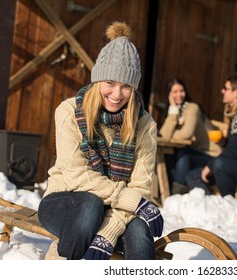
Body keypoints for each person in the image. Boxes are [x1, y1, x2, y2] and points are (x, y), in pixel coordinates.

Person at [37, 22, 163, 260]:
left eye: (126, 86)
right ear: (98, 80)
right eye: (110, 83)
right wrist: (133, 201)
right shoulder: (69, 111)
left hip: (117, 210)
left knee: (139, 234)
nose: (117, 94)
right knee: (90, 205)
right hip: (66, 201)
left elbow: (139, 187)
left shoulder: (145, 125)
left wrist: (110, 230)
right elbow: (76, 175)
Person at [158, 78, 221, 194]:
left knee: (184, 154)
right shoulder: (174, 111)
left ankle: (178, 192)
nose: (179, 95)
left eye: (181, 91)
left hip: (210, 155)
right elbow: (163, 136)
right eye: (175, 92)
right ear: (169, 95)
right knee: (168, 152)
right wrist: (172, 110)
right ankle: (170, 191)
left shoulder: (192, 108)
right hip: (193, 153)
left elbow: (187, 134)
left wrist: (172, 134)